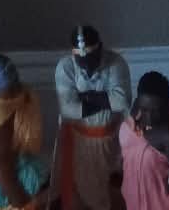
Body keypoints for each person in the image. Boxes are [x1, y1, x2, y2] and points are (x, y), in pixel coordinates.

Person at [55, 24, 131, 210]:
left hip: (111, 138)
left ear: (100, 48)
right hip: (79, 141)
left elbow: (121, 101)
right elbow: (68, 109)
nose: (88, 67)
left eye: (92, 60)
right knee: (80, 189)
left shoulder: (116, 63)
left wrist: (86, 97)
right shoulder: (65, 67)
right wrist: (105, 99)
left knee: (112, 188)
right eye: (82, 62)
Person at [0, 47, 49, 209]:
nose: (16, 91)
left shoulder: (13, 95)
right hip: (10, 190)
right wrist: (23, 202)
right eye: (10, 89)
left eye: (15, 84)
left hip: (17, 168)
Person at [119, 72, 169, 210]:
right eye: (145, 109)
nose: (149, 118)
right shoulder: (131, 121)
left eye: (156, 110)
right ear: (138, 102)